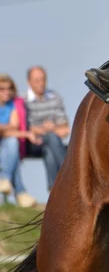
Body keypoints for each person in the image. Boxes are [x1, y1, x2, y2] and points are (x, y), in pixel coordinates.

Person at [25, 66, 69, 190]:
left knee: (49, 150)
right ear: (29, 82)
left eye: (43, 79)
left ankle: (54, 189)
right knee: (52, 137)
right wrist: (50, 129)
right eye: (37, 80)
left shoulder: (54, 97)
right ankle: (68, 172)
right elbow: (26, 128)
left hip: (50, 144)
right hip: (31, 143)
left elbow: (65, 129)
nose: (41, 83)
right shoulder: (23, 100)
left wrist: (51, 127)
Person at [0, 74, 38, 207]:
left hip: (6, 144)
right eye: (2, 89)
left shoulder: (13, 105)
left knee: (12, 143)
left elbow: (13, 127)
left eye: (9, 88)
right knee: (12, 146)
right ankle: (20, 192)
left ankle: (5, 180)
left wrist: (7, 130)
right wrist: (26, 134)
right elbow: (10, 128)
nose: (6, 92)